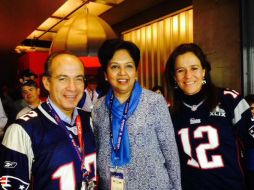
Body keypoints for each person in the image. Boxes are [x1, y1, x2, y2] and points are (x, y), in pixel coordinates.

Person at [92, 39, 181, 190]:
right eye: (115, 67)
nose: (122, 73)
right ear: (106, 74)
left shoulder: (154, 102)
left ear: (136, 72)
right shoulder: (98, 107)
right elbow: (98, 147)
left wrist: (176, 187)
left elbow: (170, 151)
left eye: (129, 66)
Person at [0, 51, 97, 190]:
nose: (72, 87)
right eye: (63, 78)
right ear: (46, 83)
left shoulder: (90, 120)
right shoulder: (22, 130)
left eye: (78, 79)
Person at [165, 43, 254, 190]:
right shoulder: (170, 113)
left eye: (194, 68)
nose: (188, 76)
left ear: (204, 71)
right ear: (174, 77)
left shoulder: (229, 100)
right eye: (181, 70)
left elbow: (252, 145)